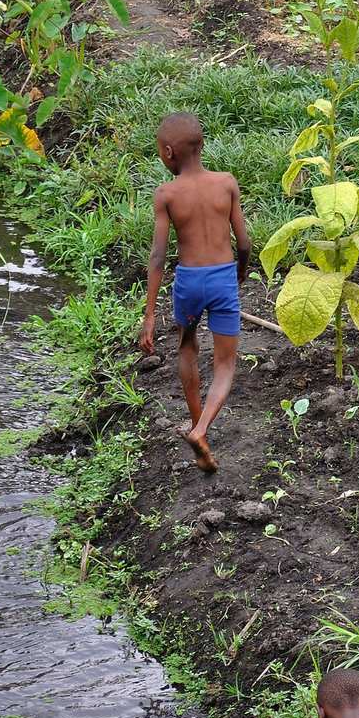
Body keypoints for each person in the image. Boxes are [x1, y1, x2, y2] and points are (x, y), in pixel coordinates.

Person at [138, 111, 250, 474]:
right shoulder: (227, 183)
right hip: (221, 279)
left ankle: (195, 421)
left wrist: (149, 315)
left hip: (188, 282)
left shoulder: (166, 194)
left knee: (187, 345)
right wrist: (240, 274)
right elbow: (244, 243)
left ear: (169, 152)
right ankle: (202, 431)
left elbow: (157, 256)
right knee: (225, 363)